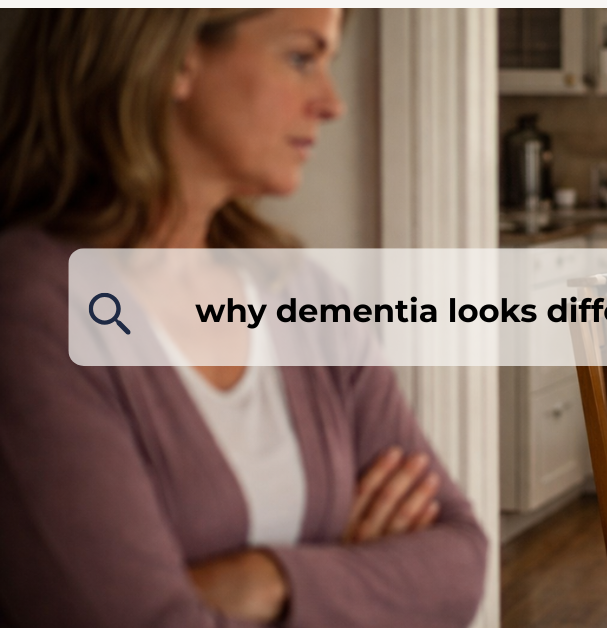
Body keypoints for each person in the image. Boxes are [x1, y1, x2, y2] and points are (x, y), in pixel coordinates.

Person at [0, 9, 485, 627]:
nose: (332, 103)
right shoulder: (34, 311)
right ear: (177, 57)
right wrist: (359, 583)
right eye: (301, 58)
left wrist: (270, 580)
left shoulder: (302, 298)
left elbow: (459, 563)